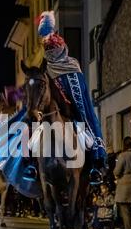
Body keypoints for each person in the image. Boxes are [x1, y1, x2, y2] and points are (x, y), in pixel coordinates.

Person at [23, 11, 107, 185]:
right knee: (29, 137)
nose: (50, 52)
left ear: (61, 49)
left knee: (87, 138)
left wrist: (74, 110)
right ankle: (30, 165)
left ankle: (94, 167)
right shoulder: (45, 71)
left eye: (52, 49)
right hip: (49, 114)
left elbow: (80, 97)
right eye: (48, 49)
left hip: (72, 114)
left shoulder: (73, 66)